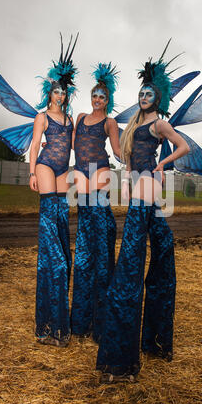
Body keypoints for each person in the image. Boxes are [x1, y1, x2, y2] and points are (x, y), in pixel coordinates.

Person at [96, 43, 190, 382]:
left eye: (149, 91)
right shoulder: (135, 125)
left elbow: (184, 146)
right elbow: (130, 158)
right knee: (132, 269)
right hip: (140, 195)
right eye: (141, 91)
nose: (144, 95)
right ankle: (121, 361)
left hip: (151, 192)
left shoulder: (160, 125)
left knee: (164, 253)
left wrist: (163, 164)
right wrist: (128, 182)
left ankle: (155, 342)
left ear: (158, 96)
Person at [29, 34, 78, 347]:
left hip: (64, 171)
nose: (59, 94)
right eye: (56, 90)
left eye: (64, 91)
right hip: (46, 167)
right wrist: (32, 171)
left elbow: (76, 146)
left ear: (66, 93)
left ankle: (59, 317)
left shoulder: (70, 118)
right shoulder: (42, 117)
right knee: (51, 242)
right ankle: (47, 325)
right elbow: (35, 145)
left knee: (63, 228)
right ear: (50, 92)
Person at [71, 62, 121, 342]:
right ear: (90, 98)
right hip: (81, 171)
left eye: (102, 97)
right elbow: (73, 145)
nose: (98, 100)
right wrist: (49, 142)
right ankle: (81, 320)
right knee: (85, 230)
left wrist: (142, 152)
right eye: (95, 95)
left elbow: (116, 150)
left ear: (107, 100)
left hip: (100, 168)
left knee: (100, 222)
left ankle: (102, 319)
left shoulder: (109, 122)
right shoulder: (79, 117)